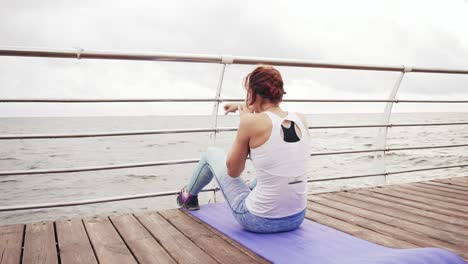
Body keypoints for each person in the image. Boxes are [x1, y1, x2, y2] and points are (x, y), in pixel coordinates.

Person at [176, 65, 311, 233]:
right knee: (277, 169)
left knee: (212, 153)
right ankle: (252, 191)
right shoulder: (301, 119)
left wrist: (245, 119)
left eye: (248, 93)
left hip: (258, 219)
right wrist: (242, 107)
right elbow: (270, 116)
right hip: (296, 217)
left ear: (253, 94)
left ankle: (188, 197)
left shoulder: (250, 122)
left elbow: (233, 171)